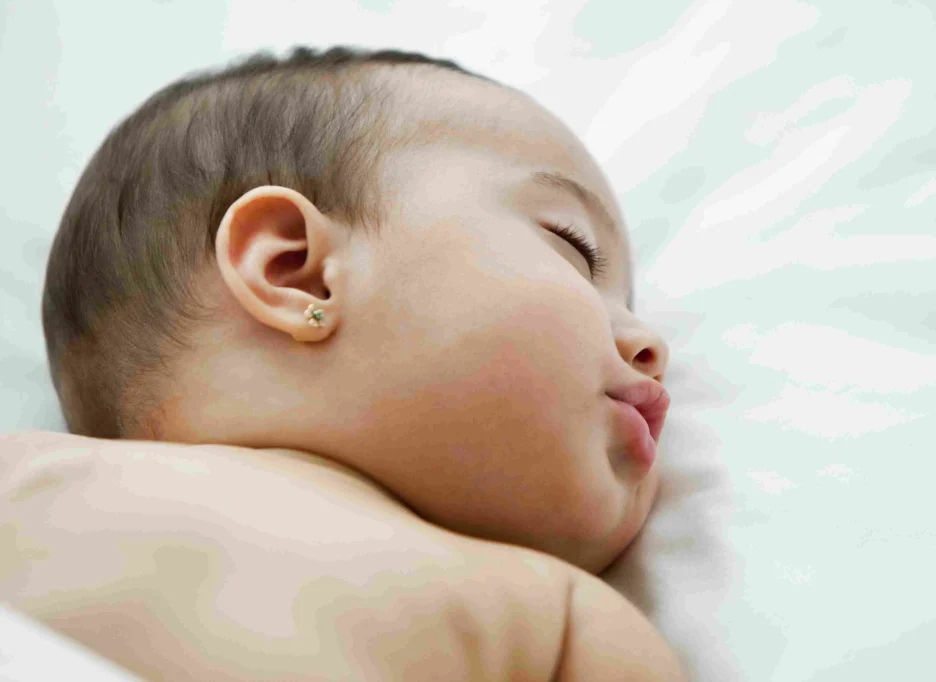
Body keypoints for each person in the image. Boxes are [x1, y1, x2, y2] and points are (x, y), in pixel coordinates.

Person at [6, 45, 684, 680]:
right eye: (571, 247)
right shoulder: (27, 472)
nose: (651, 344)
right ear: (296, 272)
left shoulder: (559, 619)